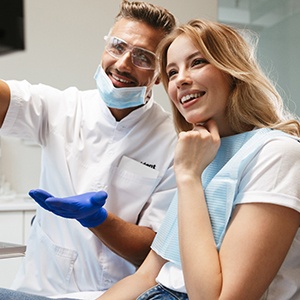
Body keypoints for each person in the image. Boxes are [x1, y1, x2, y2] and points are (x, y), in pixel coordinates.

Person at [96, 19, 300, 300]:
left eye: (197, 62)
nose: (180, 79)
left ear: (232, 71)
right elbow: (147, 275)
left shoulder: (276, 153)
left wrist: (189, 178)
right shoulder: (203, 153)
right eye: (172, 72)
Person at [0, 0, 177, 298]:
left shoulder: (171, 141)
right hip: (37, 287)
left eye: (143, 57)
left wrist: (99, 219)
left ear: (160, 75)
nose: (123, 64)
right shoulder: (63, 108)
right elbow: (9, 99)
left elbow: (152, 252)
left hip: (111, 293)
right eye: (117, 47)